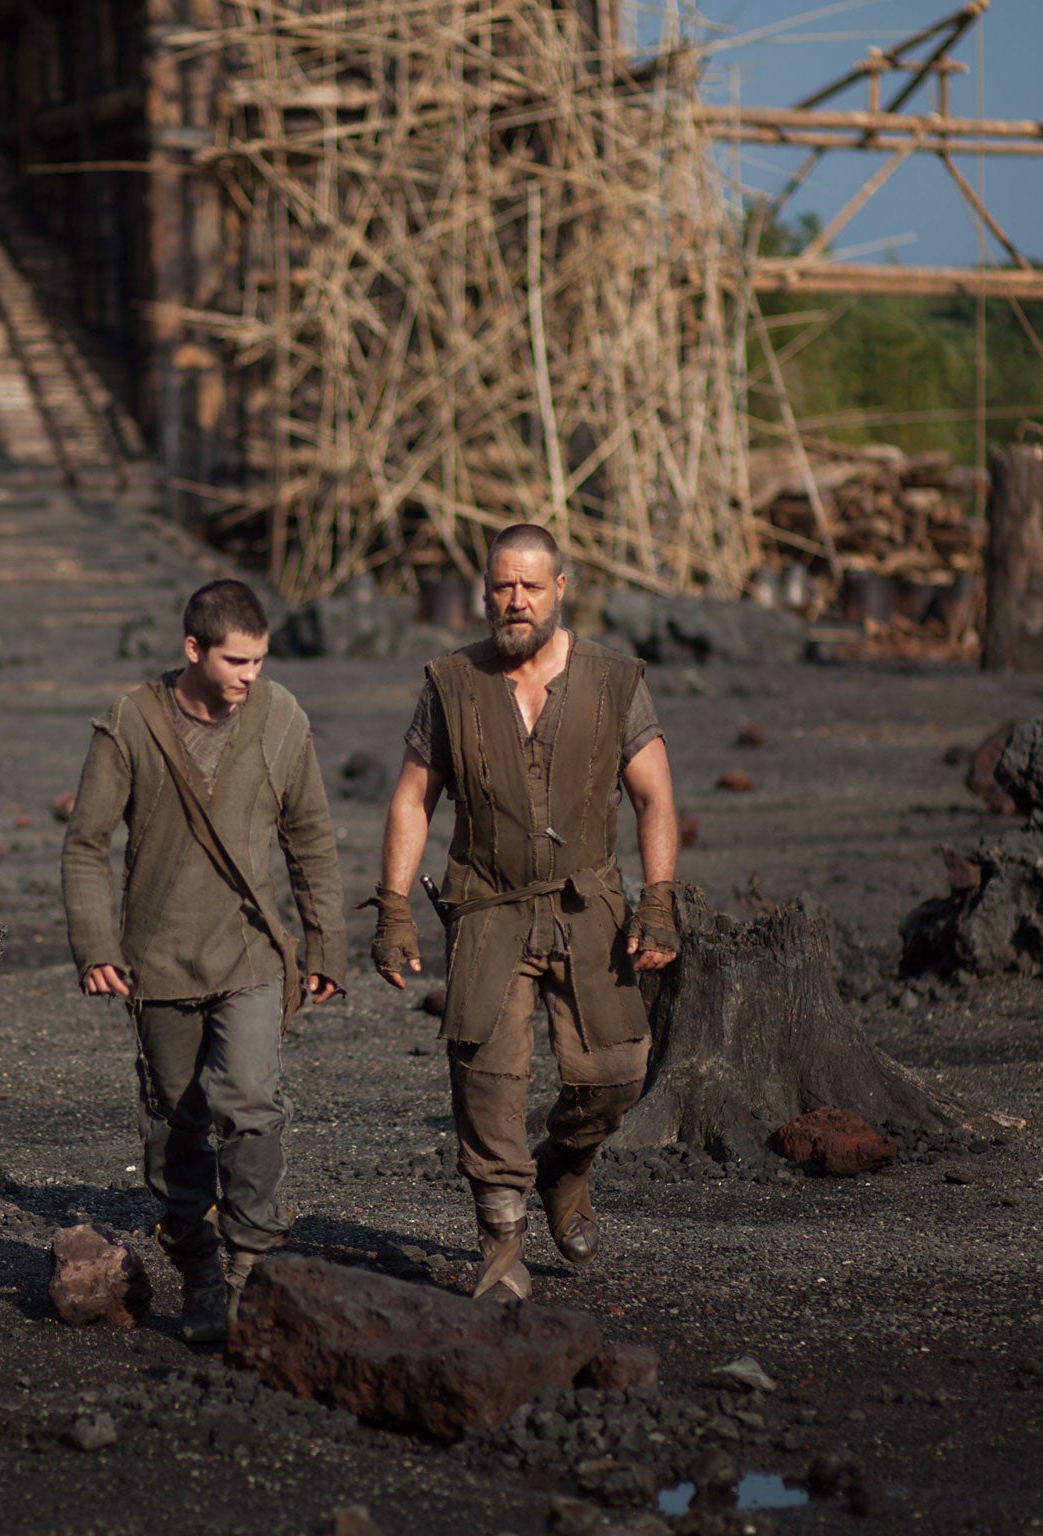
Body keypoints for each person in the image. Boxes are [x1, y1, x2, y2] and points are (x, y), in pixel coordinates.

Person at [369, 524, 680, 1300]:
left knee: (618, 1071)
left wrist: (661, 898)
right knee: (486, 1077)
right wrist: (394, 908)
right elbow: (412, 798)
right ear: (485, 591)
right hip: (487, 907)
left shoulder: (613, 680)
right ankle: (501, 1246)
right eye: (502, 587)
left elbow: (655, 797)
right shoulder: (451, 682)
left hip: (590, 906)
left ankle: (565, 1170)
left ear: (561, 589)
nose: (515, 601)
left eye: (530, 587)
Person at [62, 579, 345, 1342]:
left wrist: (326, 946)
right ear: (194, 649)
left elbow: (310, 836)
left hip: (253, 953)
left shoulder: (280, 717)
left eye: (259, 660)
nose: (251, 675)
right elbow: (86, 844)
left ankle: (248, 1271)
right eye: (236, 661)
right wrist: (96, 947)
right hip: (157, 961)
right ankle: (193, 1264)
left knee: (250, 1103)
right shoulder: (130, 721)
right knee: (175, 1122)